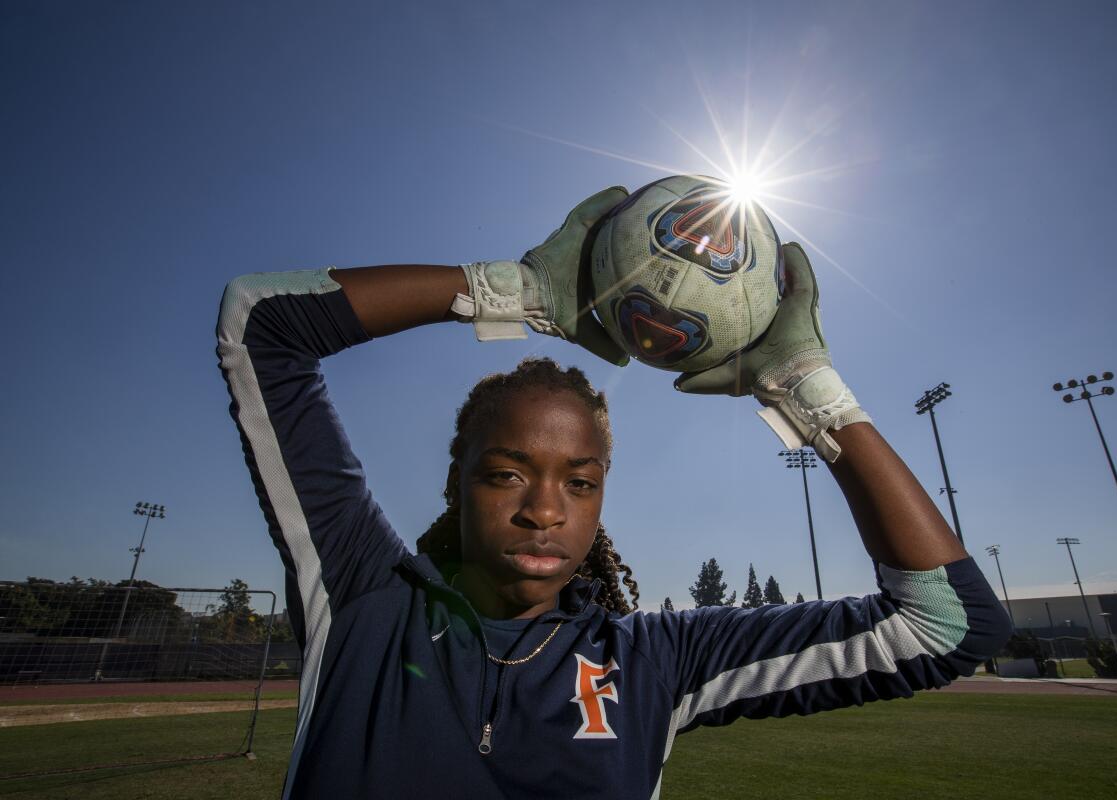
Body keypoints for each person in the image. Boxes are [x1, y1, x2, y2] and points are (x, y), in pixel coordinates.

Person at [216, 186, 1012, 799]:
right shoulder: (363, 601)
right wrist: (515, 291)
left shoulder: (657, 661)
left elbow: (946, 624)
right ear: (456, 486)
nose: (545, 509)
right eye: (506, 474)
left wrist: (808, 389)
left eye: (581, 481)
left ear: (602, 498)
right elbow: (263, 325)